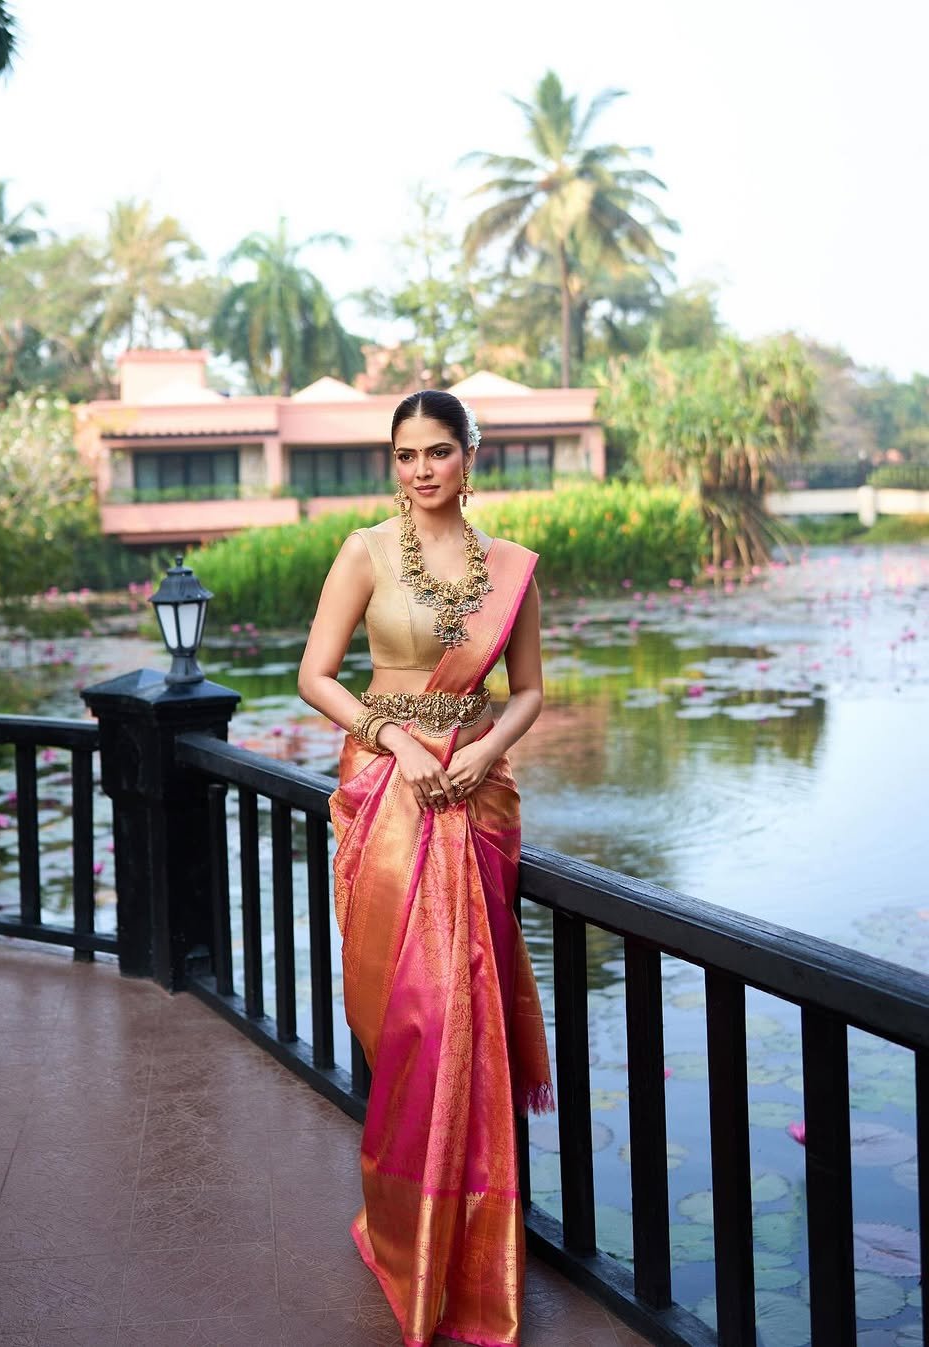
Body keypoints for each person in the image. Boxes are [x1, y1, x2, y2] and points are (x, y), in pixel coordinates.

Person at [297, 389, 553, 1347]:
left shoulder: (510, 570)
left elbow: (526, 691)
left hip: (475, 794)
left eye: (438, 451)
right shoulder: (364, 551)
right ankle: (404, 1234)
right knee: (412, 1021)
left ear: (470, 455)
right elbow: (315, 673)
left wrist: (484, 752)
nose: (420, 470)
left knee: (466, 1021)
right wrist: (395, 743)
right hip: (389, 796)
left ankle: (470, 1260)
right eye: (405, 454)